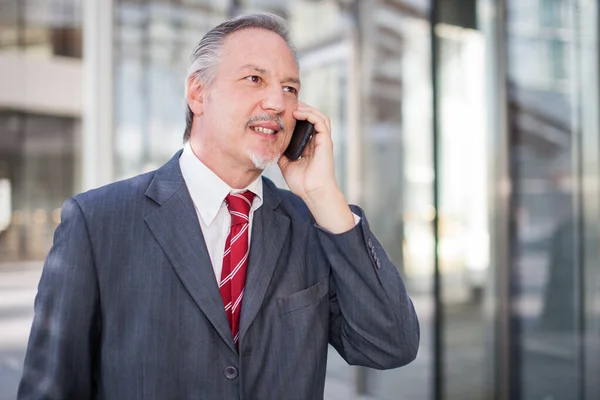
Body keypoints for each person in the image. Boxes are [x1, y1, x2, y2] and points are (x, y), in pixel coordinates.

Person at [18, 13, 419, 400]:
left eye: (290, 88)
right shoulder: (97, 223)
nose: (278, 103)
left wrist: (324, 196)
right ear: (198, 94)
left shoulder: (310, 225)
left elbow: (390, 344)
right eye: (254, 79)